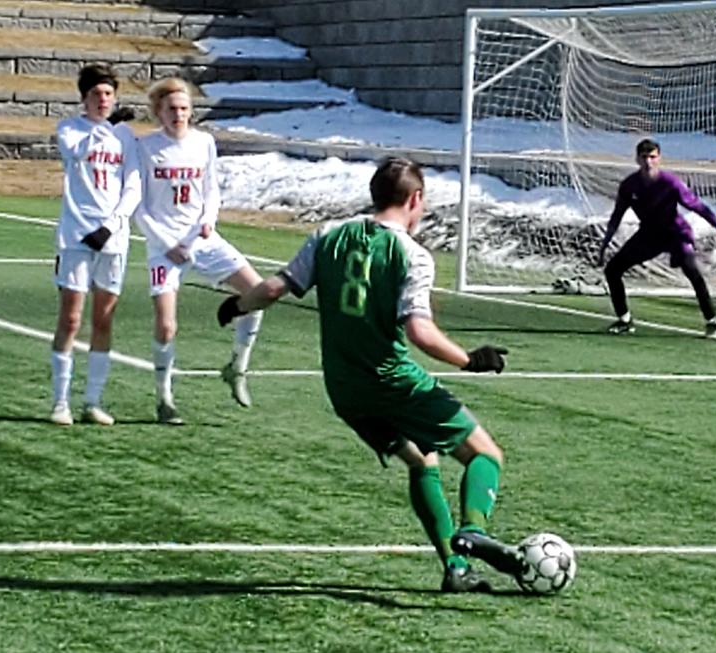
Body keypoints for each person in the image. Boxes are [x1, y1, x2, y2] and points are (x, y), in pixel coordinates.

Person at [216, 157, 523, 592]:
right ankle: (473, 529)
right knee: (485, 455)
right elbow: (420, 331)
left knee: (422, 459)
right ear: (415, 199)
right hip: (392, 380)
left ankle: (455, 568)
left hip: (344, 389)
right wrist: (470, 359)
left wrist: (235, 306)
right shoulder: (412, 254)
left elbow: (273, 288)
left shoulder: (328, 236)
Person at [134, 77, 265, 425]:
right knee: (166, 326)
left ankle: (237, 367)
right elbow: (139, 209)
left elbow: (211, 192)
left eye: (184, 109)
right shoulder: (145, 148)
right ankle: (164, 399)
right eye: (171, 109)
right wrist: (168, 245)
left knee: (259, 294)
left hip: (203, 241)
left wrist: (207, 221)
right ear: (159, 112)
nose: (178, 115)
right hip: (165, 247)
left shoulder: (204, 142)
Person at [49, 63, 141, 426]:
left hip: (112, 238)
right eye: (96, 95)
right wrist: (105, 127)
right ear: (84, 98)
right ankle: (60, 402)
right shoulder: (70, 129)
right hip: (75, 235)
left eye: (108, 94)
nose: (103, 100)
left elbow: (132, 184)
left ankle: (93, 401)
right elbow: (77, 153)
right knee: (71, 319)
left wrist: (114, 222)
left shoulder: (125, 136)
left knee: (103, 320)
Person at [597, 138, 716, 338]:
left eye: (652, 157)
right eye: (644, 157)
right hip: (649, 235)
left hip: (676, 233)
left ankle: (712, 322)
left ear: (659, 158)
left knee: (692, 272)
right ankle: (624, 320)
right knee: (612, 270)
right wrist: (606, 242)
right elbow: (617, 215)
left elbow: (698, 207)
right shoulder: (629, 185)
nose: (648, 162)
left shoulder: (670, 183)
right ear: (637, 159)